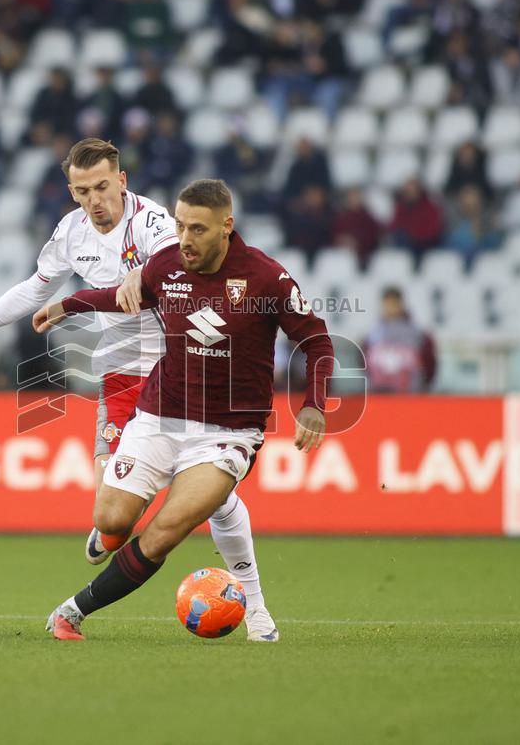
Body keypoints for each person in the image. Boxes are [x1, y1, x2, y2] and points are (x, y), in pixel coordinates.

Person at [0, 141, 282, 641]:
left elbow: (182, 263)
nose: (95, 200)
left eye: (103, 187)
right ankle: (113, 525)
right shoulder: (70, 233)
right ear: (71, 192)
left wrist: (142, 272)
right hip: (117, 373)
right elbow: (33, 289)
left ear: (122, 181)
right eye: (82, 191)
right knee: (110, 521)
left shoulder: (156, 224)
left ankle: (257, 609)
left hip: (176, 370)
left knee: (215, 498)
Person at [32, 178, 334, 641]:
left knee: (164, 531)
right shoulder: (167, 264)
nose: (185, 239)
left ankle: (72, 611)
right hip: (158, 416)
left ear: (226, 227)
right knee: (111, 520)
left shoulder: (266, 277)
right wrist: (67, 305)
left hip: (228, 430)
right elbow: (123, 297)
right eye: (179, 226)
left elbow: (315, 340)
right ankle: (216, 500)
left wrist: (314, 404)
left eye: (197, 229)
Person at [363, 287, 437, 393]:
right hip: (379, 394)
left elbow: (429, 364)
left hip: (411, 394)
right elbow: (364, 363)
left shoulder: (417, 334)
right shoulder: (372, 334)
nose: (391, 308)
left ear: (401, 304)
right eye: (387, 304)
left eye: (394, 304)